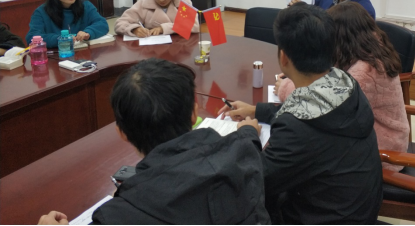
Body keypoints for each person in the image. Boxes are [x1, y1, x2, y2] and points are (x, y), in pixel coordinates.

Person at [37, 58, 270, 225]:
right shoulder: (245, 154)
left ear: (122, 133)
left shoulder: (117, 215)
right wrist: (248, 131)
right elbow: (247, 142)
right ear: (193, 113)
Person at [219, 3, 383, 225]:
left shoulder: (296, 127)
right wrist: (256, 110)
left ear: (284, 57)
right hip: (355, 211)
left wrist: (247, 134)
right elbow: (311, 113)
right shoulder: (345, 84)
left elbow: (257, 180)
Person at [275, 2, 410, 172]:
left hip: (382, 153)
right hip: (374, 136)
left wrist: (286, 87)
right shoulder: (370, 50)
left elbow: (325, 105)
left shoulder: (365, 72)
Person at [26, 0, 109, 48]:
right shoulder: (41, 12)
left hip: (84, 53)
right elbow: (32, 37)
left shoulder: (85, 5)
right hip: (57, 54)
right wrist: (61, 39)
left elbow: (102, 24)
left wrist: (88, 32)